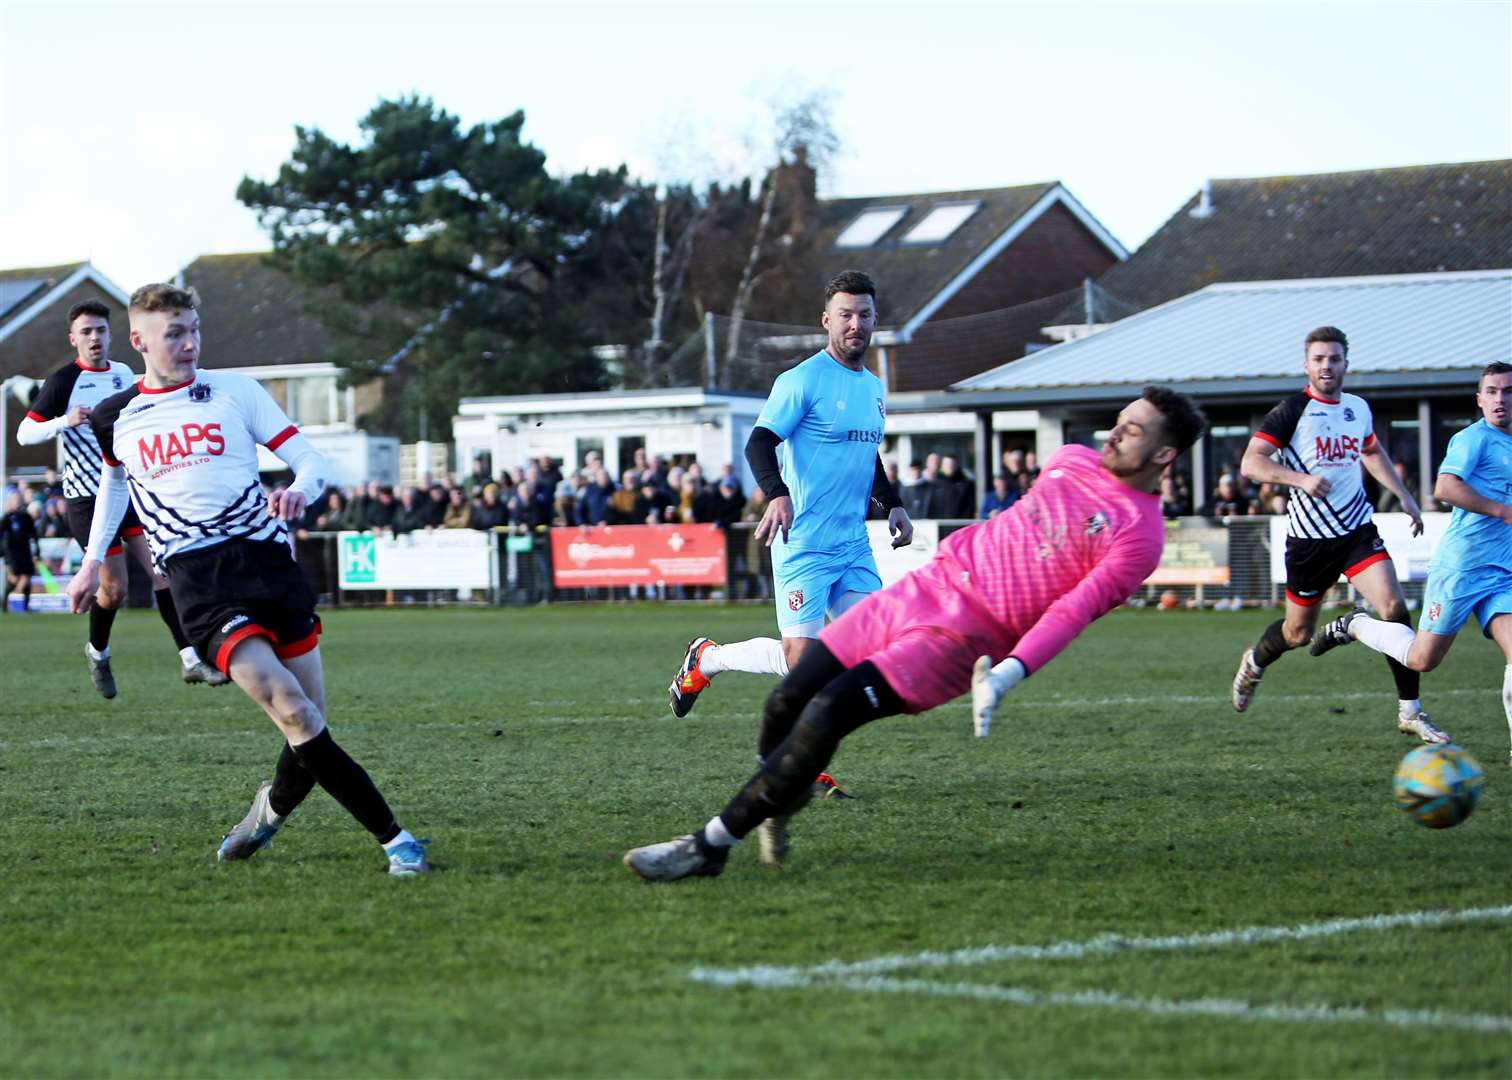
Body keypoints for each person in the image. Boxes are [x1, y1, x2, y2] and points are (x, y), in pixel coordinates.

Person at [624, 386, 1208, 881]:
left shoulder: (1139, 534)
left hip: (961, 639)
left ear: (1165, 452)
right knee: (787, 696)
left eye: (1132, 431)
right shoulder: (1071, 459)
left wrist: (1009, 672)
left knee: (828, 713)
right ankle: (776, 797)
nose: (1114, 434)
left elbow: (1071, 611)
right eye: (1119, 422)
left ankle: (709, 847)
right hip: (923, 588)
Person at [65, 283, 429, 875]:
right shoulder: (116, 416)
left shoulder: (236, 392)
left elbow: (310, 461)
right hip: (198, 582)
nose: (188, 344)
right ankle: (398, 842)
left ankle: (268, 814)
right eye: (174, 334)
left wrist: (298, 491)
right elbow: (114, 484)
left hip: (268, 564)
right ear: (139, 341)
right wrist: (90, 561)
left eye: (193, 330)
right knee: (293, 711)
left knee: (308, 727)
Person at [666, 270, 914, 735]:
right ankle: (709, 659)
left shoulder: (874, 388)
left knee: (871, 647)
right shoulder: (802, 380)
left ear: (875, 319)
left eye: (864, 315)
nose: (855, 324)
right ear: (826, 320)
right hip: (803, 543)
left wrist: (892, 502)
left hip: (852, 544)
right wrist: (776, 493)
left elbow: (866, 452)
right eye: (845, 315)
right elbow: (759, 443)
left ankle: (721, 669)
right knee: (802, 661)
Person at [1229, 326, 1443, 742]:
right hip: (1309, 543)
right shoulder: (1290, 411)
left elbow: (1371, 450)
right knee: (1298, 634)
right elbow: (1251, 464)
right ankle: (1254, 661)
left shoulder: (1357, 408)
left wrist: (1404, 496)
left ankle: (1410, 711)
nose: (1327, 366)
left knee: (1394, 605)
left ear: (1346, 362)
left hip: (1356, 532)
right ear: (1306, 365)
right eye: (1319, 359)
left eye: (1334, 358)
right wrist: (1299, 479)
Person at [18, 299, 224, 693]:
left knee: (163, 572)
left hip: (128, 490)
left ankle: (191, 658)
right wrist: (64, 421)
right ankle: (98, 653)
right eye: (86, 332)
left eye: (100, 330)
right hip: (85, 498)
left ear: (112, 336)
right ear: (73, 339)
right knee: (115, 590)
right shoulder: (62, 381)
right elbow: (24, 434)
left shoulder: (124, 374)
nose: (94, 338)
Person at [1312, 362, 1512, 762]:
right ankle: (1357, 624)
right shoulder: (1473, 440)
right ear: (1479, 399)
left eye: (1507, 391)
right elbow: (1445, 488)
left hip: (1504, 574)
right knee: (1423, 659)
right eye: (1491, 391)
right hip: (1462, 569)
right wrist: (1502, 510)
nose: (1500, 399)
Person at [2, 490, 40, 611]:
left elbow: (34, 535)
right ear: (10, 501)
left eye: (18, 499)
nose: (17, 501)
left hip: (25, 551)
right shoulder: (7, 518)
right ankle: (4, 604)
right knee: (15, 579)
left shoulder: (26, 517)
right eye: (14, 499)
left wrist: (36, 552)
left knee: (27, 578)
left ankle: (26, 606)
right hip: (13, 553)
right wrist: (3, 554)